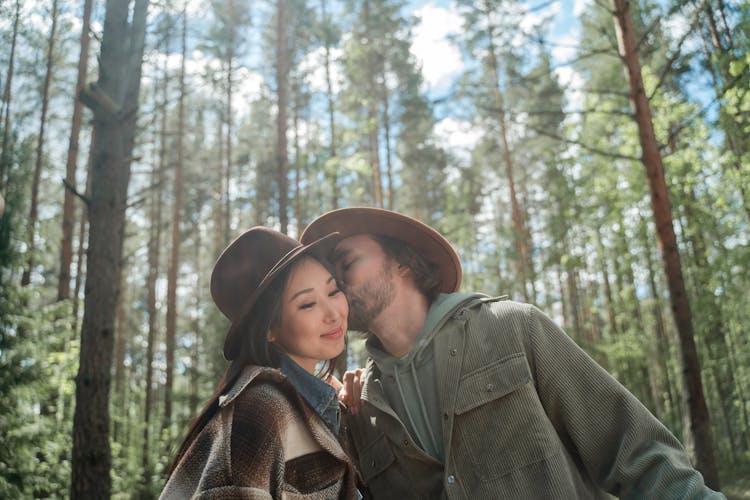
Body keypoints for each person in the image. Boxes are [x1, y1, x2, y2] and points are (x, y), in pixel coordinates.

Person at [300, 207, 724, 499]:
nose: (335, 282)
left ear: (402, 263)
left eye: (346, 261)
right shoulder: (359, 409)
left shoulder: (511, 327)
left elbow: (637, 454)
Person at [161, 227, 360, 499]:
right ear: (269, 329)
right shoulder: (262, 407)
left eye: (334, 290)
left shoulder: (321, 404)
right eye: (307, 304)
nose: (333, 313)